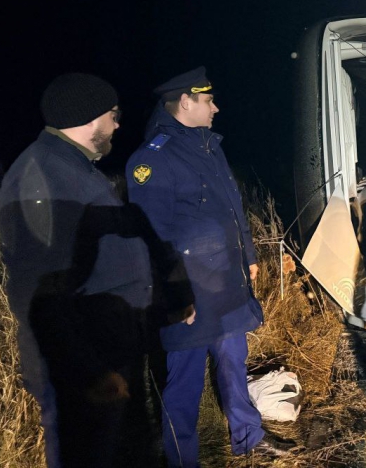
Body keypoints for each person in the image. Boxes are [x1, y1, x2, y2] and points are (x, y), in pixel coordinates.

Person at [0, 73, 195, 468]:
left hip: (109, 349)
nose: (117, 125)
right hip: (85, 368)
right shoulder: (43, 176)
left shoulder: (74, 168)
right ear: (90, 117)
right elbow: (39, 290)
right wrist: (88, 372)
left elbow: (110, 260)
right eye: (113, 115)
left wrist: (165, 305)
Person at [126, 67, 291, 467]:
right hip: (190, 290)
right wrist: (174, 294)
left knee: (234, 360)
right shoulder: (152, 158)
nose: (215, 108)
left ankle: (248, 437)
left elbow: (233, 207)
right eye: (208, 100)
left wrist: (248, 256)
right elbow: (151, 235)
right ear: (185, 102)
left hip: (227, 282)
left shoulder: (209, 147)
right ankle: (182, 459)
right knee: (183, 379)